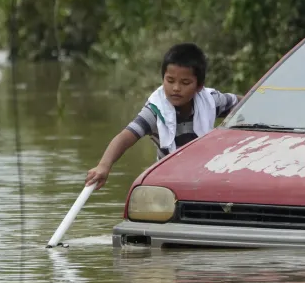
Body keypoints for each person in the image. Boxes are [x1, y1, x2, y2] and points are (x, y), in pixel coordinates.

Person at [85, 43, 240, 190]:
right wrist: (104, 166)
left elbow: (244, 103)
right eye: (170, 81)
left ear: (199, 86)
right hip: (169, 182)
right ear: (163, 79)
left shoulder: (210, 100)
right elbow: (125, 137)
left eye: (185, 83)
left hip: (205, 176)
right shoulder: (156, 110)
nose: (176, 88)